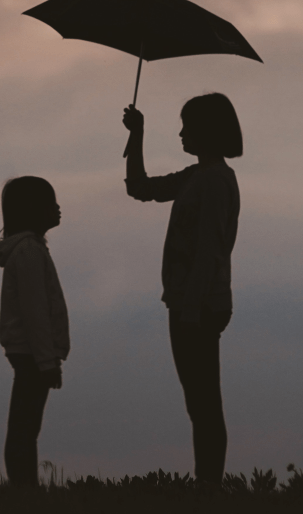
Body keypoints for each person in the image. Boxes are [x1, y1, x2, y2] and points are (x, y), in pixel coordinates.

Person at [122, 93, 241, 494]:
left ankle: (210, 484)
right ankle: (207, 482)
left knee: (204, 400)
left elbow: (209, 249)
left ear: (208, 131)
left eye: (188, 126)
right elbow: (140, 188)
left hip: (200, 305)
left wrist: (190, 309)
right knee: (199, 400)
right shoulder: (197, 176)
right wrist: (136, 136)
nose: (181, 133)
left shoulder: (213, 180)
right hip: (191, 303)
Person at [0, 176, 70, 488]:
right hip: (32, 354)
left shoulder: (31, 250)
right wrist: (47, 361)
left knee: (26, 425)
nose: (58, 208)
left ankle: (24, 488)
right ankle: (24, 490)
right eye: (51, 202)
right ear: (34, 210)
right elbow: (35, 311)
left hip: (31, 353)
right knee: (25, 427)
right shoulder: (28, 252)